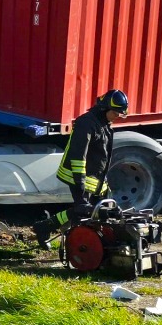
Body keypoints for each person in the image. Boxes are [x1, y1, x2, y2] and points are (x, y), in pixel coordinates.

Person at [33, 89, 129, 247]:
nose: (118, 116)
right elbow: (79, 156)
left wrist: (104, 184)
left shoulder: (104, 124)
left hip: (96, 179)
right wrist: (80, 183)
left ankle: (92, 244)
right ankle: (48, 229)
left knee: (99, 212)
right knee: (82, 210)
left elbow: (101, 158)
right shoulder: (86, 123)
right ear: (105, 108)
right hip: (78, 176)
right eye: (116, 112)